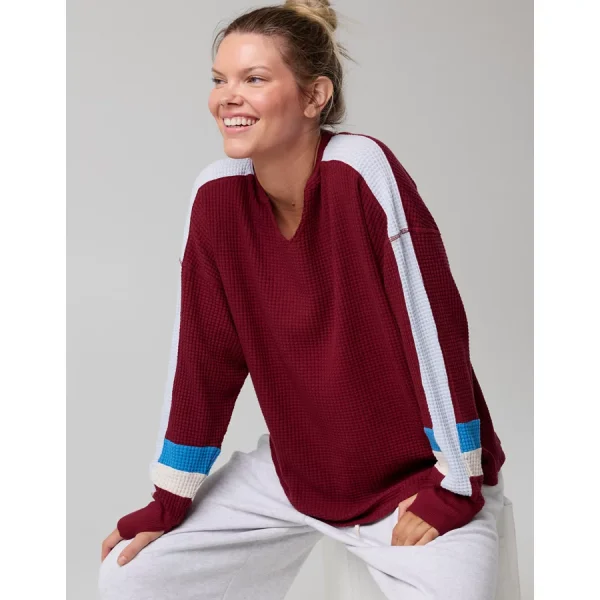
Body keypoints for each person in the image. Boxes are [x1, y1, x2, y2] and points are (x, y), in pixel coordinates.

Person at [98, 1, 507, 598]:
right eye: (220, 80)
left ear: (315, 96)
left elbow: (433, 327)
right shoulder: (215, 198)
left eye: (253, 79)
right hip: (298, 473)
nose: (227, 97)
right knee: (129, 577)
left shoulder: (360, 170)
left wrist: (457, 481)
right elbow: (203, 360)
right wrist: (169, 497)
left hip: (421, 473)